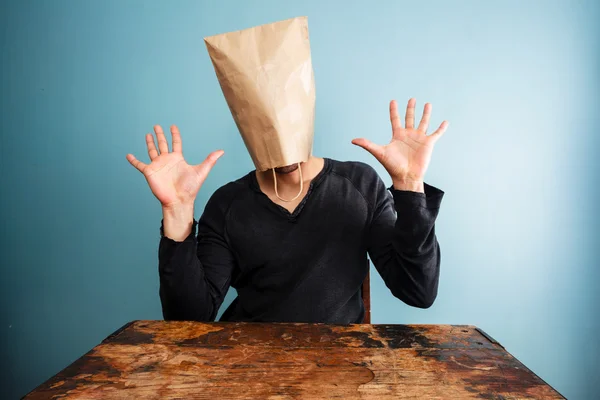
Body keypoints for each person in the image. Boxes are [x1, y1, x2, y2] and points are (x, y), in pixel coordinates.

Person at [126, 98, 448, 323]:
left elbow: (418, 290)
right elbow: (188, 319)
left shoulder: (359, 186)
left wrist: (409, 186)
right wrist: (178, 212)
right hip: (247, 369)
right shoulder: (228, 205)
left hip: (340, 369)